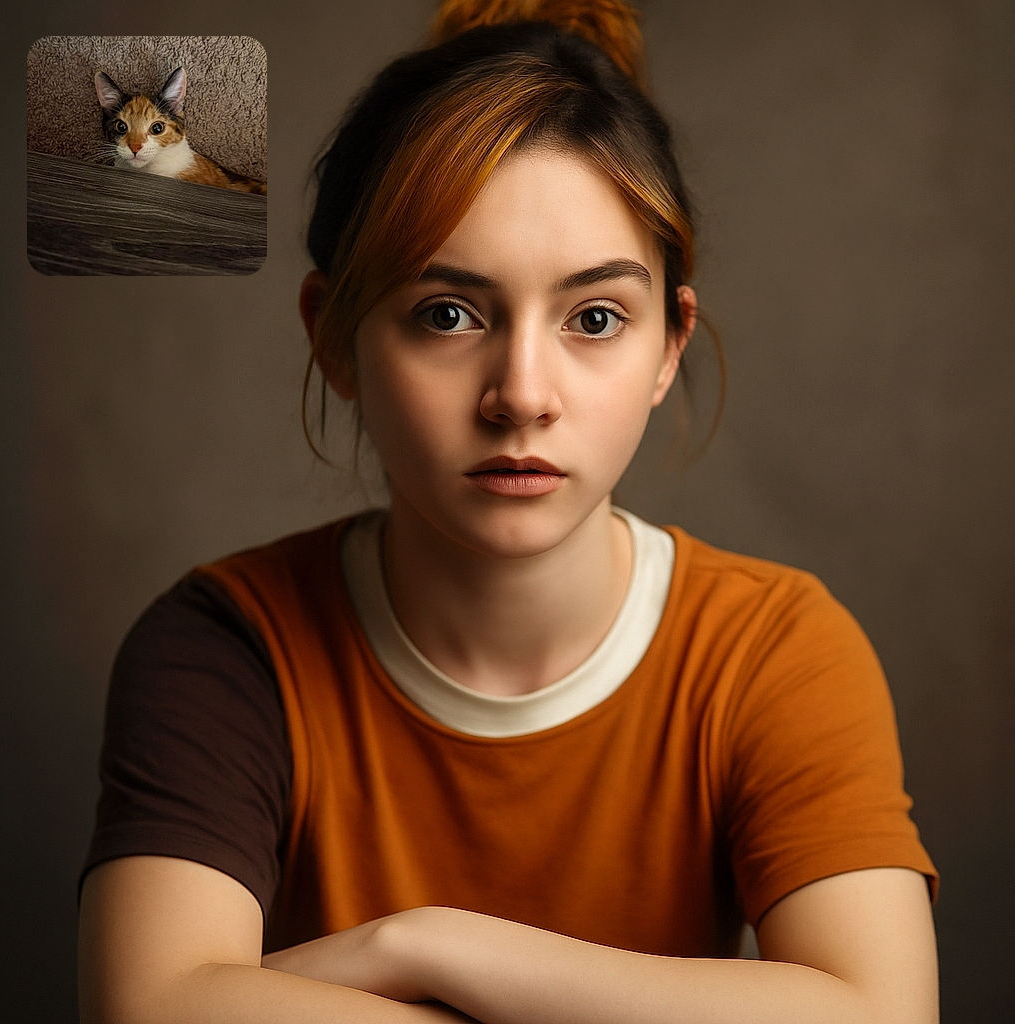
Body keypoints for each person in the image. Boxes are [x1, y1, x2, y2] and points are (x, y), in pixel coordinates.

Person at [77, 2, 939, 1022]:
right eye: (448, 313)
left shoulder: (774, 652)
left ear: (669, 343)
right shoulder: (227, 649)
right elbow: (144, 1009)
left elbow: (882, 1012)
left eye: (595, 317)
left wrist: (426, 943)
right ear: (336, 338)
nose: (522, 392)